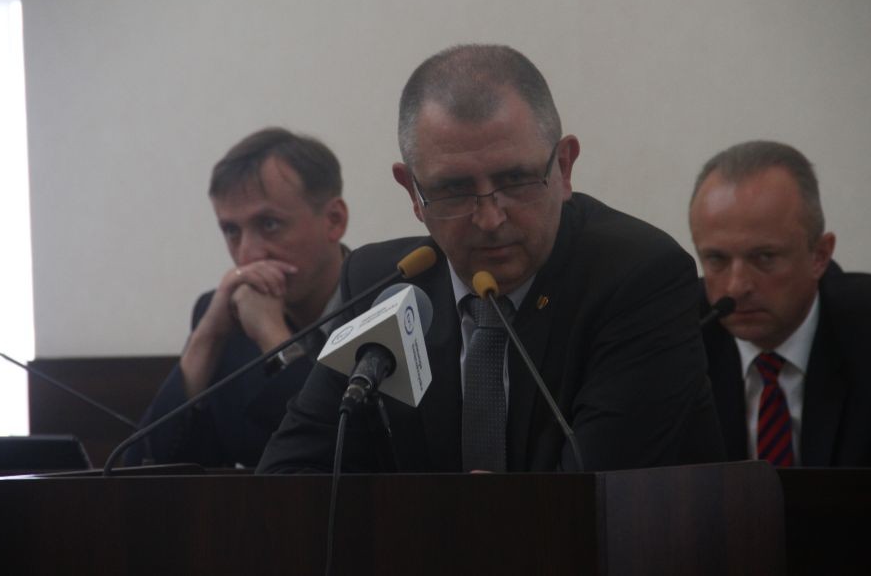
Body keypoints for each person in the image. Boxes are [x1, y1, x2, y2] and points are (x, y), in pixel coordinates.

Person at [256, 44, 722, 474]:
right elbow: (287, 477)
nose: (490, 217)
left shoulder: (638, 279)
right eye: (454, 189)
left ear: (563, 167)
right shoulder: (384, 286)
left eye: (516, 179)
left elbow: (593, 500)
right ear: (412, 192)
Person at [689, 140, 871, 467]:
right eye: (716, 259)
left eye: (764, 257)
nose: (736, 287)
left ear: (820, 256)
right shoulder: (678, 334)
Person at [126, 128, 349, 467]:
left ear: (334, 221)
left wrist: (274, 339)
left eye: (269, 224)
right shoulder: (227, 319)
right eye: (231, 231)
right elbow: (140, 472)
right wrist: (207, 338)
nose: (247, 255)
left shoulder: (385, 303)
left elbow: (341, 458)